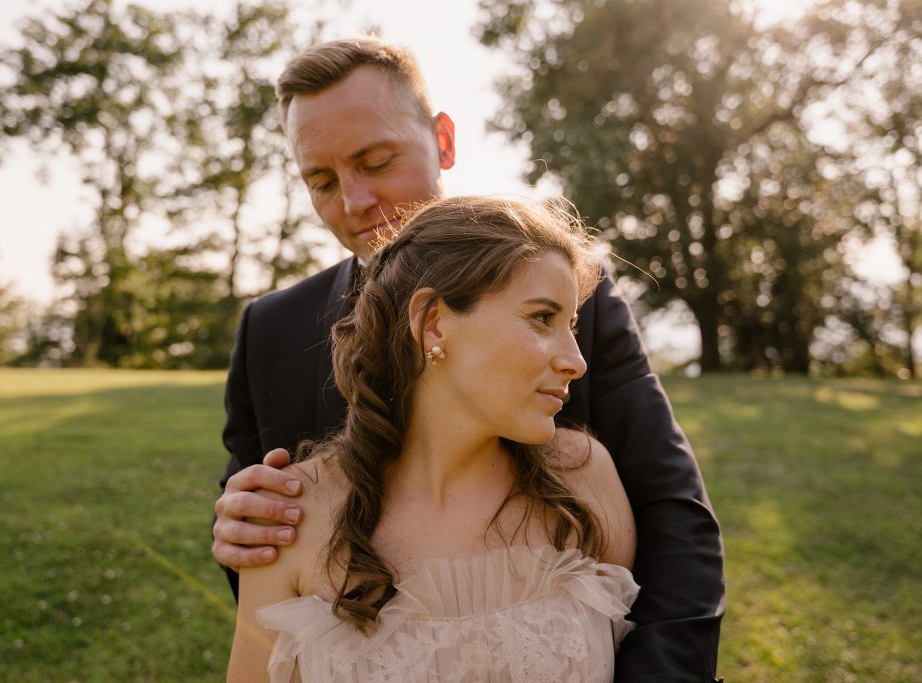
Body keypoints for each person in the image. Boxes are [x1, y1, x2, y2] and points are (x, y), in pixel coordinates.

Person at [214, 37, 725, 681]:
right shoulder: (272, 330)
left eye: (375, 161)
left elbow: (672, 508)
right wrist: (239, 524)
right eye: (321, 180)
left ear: (444, 142)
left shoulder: (575, 298)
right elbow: (257, 531)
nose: (353, 202)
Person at [227, 195, 640, 682]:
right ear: (433, 321)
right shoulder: (293, 515)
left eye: (570, 325)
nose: (576, 360)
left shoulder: (584, 478)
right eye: (542, 318)